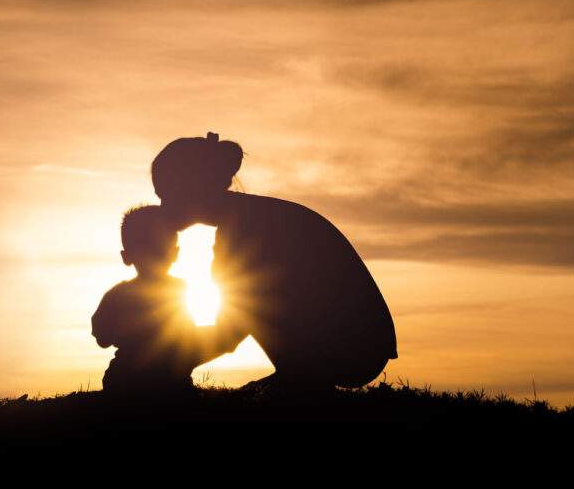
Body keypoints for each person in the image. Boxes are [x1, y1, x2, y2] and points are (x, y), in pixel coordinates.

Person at [151, 133, 398, 389]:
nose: (162, 207)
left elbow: (232, 330)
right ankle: (297, 377)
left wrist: (167, 361)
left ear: (194, 189)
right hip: (363, 343)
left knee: (252, 302)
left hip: (355, 350)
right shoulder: (253, 217)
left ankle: (302, 381)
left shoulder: (246, 231)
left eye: (166, 195)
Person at [91, 204, 210, 394]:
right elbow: (189, 336)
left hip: (125, 378)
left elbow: (102, 337)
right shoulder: (179, 289)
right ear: (175, 253)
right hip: (168, 379)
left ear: (126, 256)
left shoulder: (117, 295)